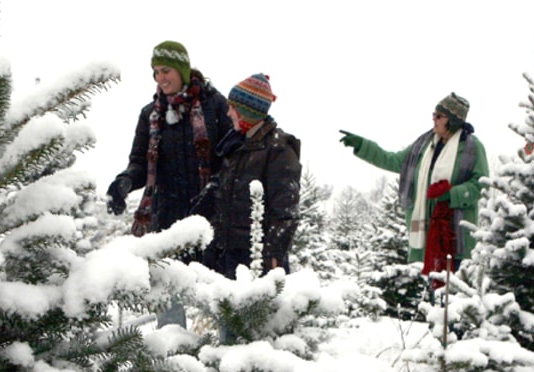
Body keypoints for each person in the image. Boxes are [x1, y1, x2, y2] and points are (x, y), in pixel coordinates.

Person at [105, 40, 233, 326]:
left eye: (166, 70)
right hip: (167, 222)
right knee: (169, 303)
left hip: (209, 221)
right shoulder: (150, 114)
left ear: (182, 70)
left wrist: (215, 188)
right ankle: (173, 352)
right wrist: (124, 182)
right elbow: (139, 163)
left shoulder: (214, 105)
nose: (160, 78)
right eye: (156, 72)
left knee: (221, 299)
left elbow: (231, 157)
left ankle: (230, 353)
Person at [338, 92, 488, 283]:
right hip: (427, 234)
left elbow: (481, 184)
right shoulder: (423, 145)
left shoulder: (472, 147)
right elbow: (393, 160)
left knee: (453, 291)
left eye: (439, 116)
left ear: (453, 121)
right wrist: (363, 145)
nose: (434, 119)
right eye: (434, 114)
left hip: (456, 235)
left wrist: (451, 194)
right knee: (432, 289)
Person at [199, 73, 301, 279]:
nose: (228, 113)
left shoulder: (279, 150)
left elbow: (285, 212)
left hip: (257, 263)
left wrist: (273, 257)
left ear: (247, 112)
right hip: (225, 259)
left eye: (233, 108)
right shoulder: (234, 145)